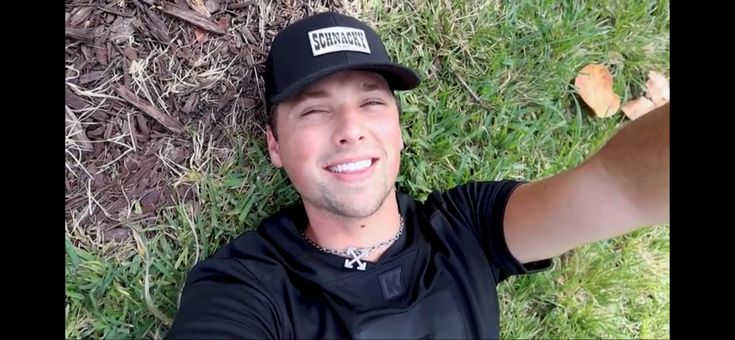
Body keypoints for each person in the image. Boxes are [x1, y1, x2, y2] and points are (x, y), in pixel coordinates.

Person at [165, 11, 669, 339]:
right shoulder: (244, 287)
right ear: (274, 146)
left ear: (399, 131)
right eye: (314, 112)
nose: (350, 130)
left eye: (371, 103)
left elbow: (619, 185)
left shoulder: (468, 229)